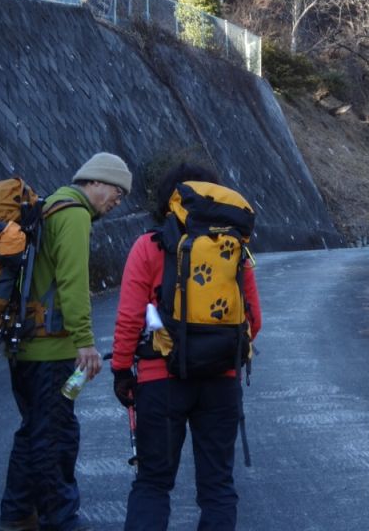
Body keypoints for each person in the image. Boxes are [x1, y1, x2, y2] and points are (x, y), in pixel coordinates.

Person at [110, 163, 262, 531]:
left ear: (168, 200)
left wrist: (120, 370)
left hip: (161, 380)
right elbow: (253, 321)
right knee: (217, 487)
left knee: (152, 483)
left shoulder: (150, 246)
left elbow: (130, 317)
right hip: (222, 380)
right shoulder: (234, 250)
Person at [0, 152, 133, 531]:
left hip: (25, 345)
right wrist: (85, 342)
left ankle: (17, 513)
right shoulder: (73, 215)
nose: (117, 201)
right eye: (115, 191)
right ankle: (61, 519)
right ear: (94, 182)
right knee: (56, 435)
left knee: (34, 430)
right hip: (51, 349)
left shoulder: (49, 207)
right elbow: (74, 284)